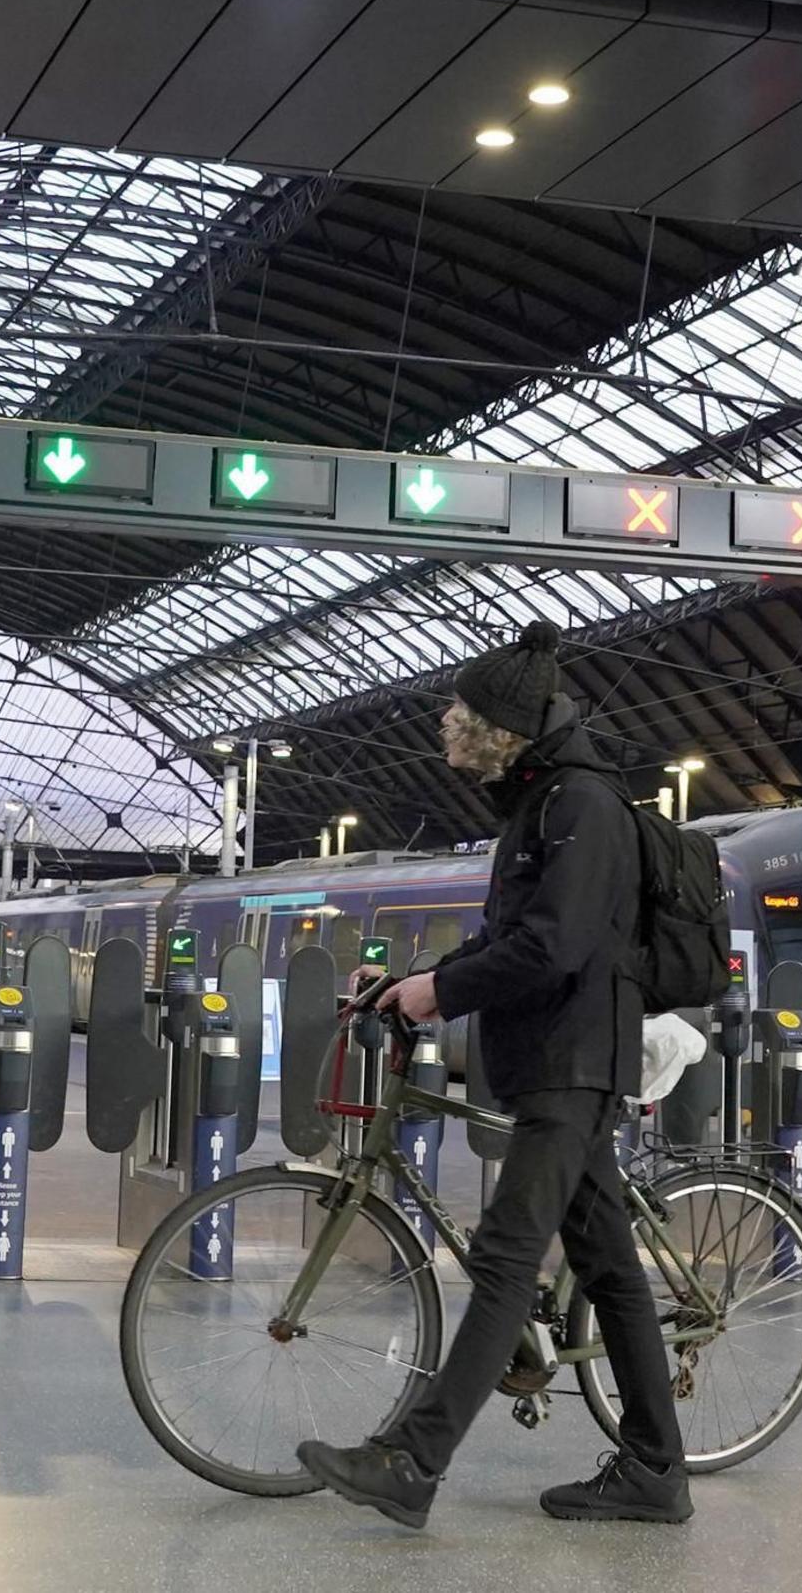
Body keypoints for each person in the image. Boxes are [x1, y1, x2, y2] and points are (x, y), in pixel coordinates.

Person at [300, 624, 688, 1530]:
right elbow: (508, 937)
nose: (445, 723)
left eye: (459, 711)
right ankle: (657, 1472)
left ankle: (412, 1460)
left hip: (575, 1062)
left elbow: (554, 946)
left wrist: (444, 993)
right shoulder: (537, 804)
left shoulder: (584, 807)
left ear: (501, 726)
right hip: (553, 1060)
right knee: (611, 1272)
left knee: (509, 1259)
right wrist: (413, 982)